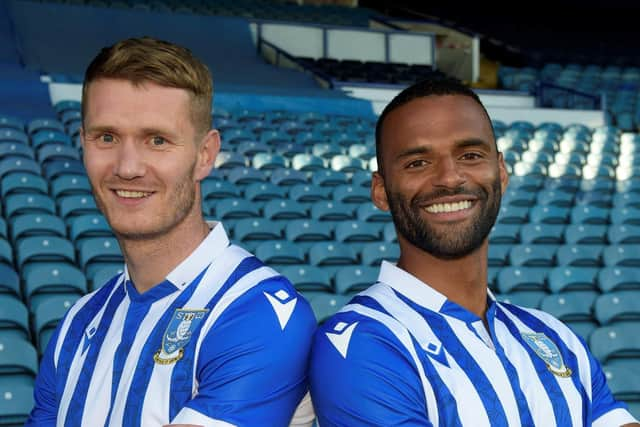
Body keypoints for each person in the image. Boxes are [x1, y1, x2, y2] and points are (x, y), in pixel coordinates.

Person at [309, 77, 640, 427]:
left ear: (501, 171)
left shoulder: (554, 336)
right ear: (381, 191)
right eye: (418, 162)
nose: (450, 178)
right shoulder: (361, 343)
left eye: (470, 155)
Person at [26, 37, 316, 427]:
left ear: (205, 155)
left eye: (157, 140)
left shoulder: (260, 313)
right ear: (83, 143)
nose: (127, 167)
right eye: (106, 137)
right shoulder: (78, 324)